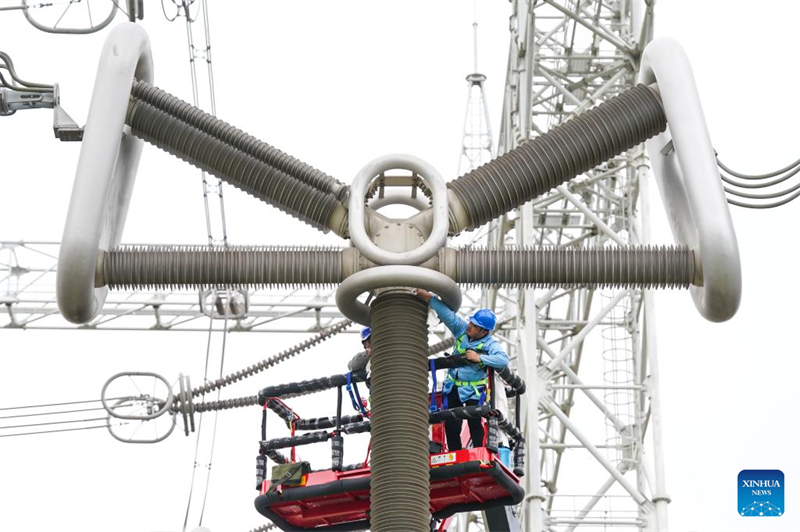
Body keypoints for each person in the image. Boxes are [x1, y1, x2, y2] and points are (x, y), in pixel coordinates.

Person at [413, 288, 509, 451]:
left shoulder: (490, 345)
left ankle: (479, 452)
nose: (470, 325)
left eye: (475, 325)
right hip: (454, 386)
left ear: (484, 331)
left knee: (475, 423)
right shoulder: (462, 330)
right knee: (451, 425)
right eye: (471, 322)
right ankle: (455, 454)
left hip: (474, 390)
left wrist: (480, 358)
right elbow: (447, 315)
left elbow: (503, 360)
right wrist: (430, 298)